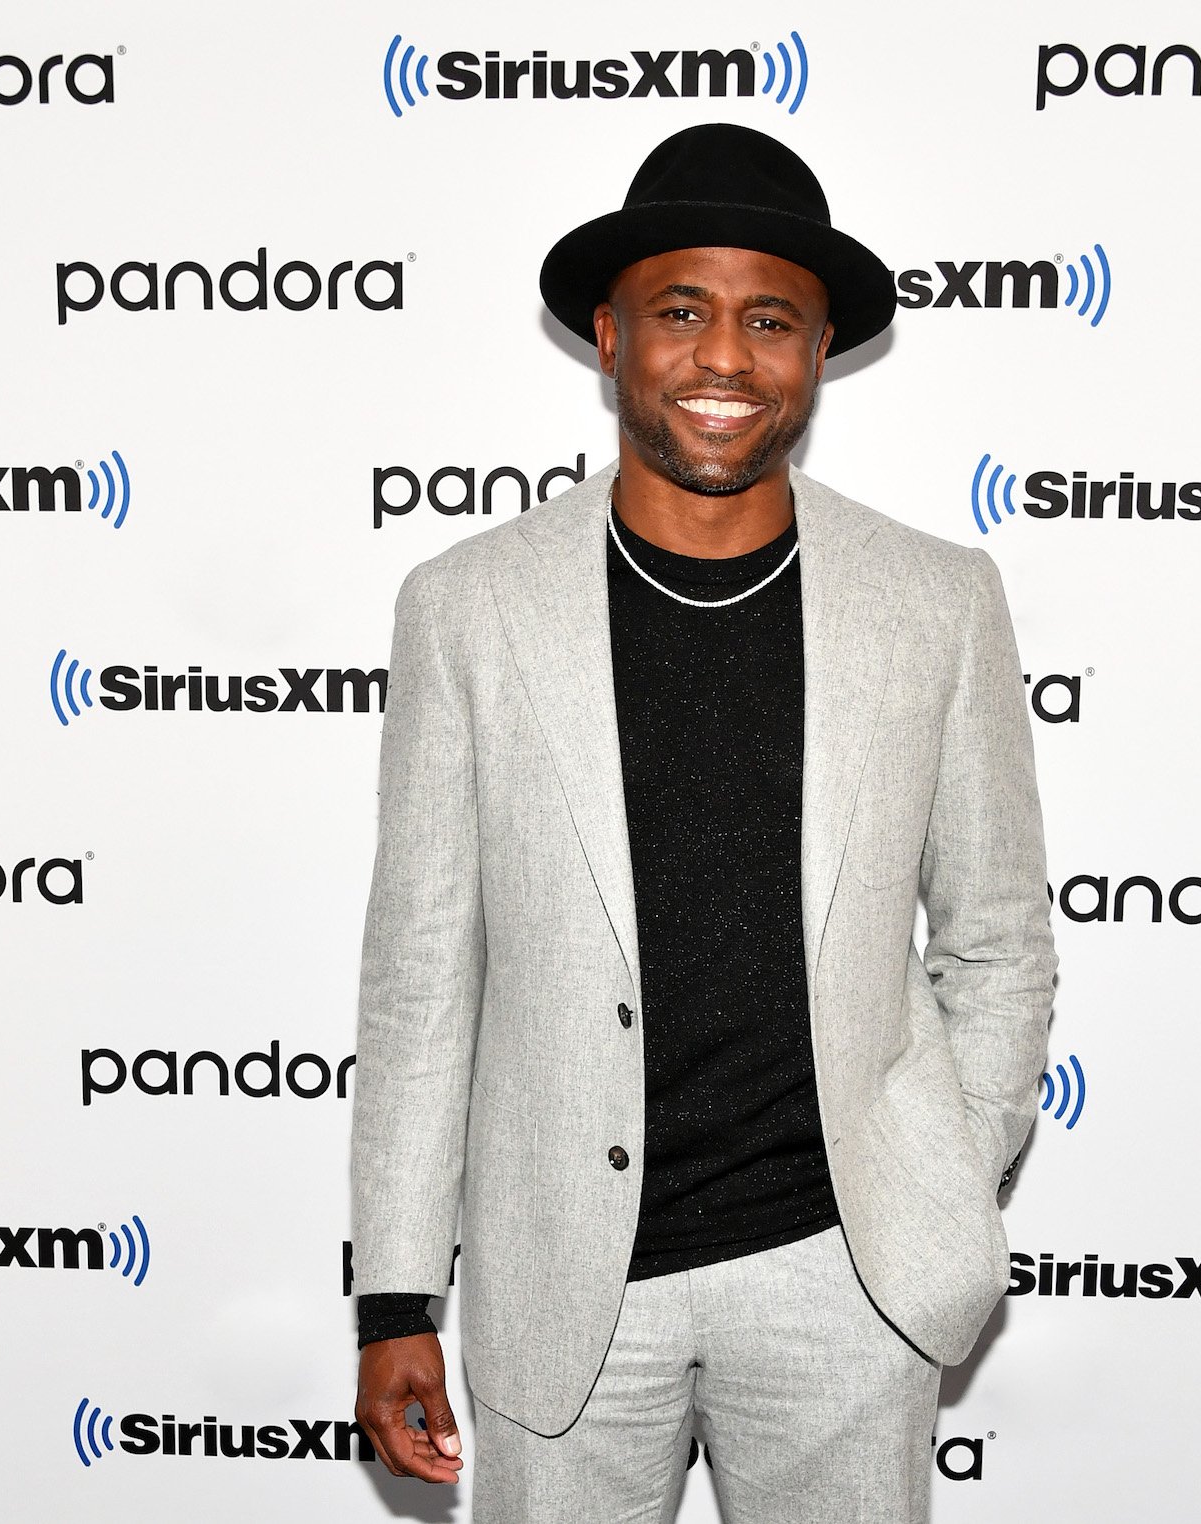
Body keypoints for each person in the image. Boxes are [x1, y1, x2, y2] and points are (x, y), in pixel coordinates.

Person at [350, 121, 1059, 1524]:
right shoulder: (469, 607)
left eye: (770, 321)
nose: (724, 358)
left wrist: (940, 1171)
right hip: (562, 1278)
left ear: (819, 351)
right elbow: (422, 976)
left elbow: (997, 939)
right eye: (681, 313)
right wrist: (395, 1296)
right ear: (611, 336)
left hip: (844, 1274)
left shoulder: (936, 602)